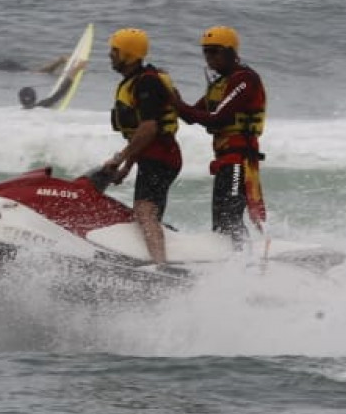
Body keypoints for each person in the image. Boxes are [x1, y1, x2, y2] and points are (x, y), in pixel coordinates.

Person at [179, 25, 268, 255]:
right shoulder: (219, 85)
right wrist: (169, 98)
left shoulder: (244, 79)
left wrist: (174, 103)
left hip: (240, 161)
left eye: (215, 51)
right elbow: (190, 114)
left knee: (231, 217)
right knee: (220, 222)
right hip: (224, 162)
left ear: (230, 51)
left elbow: (217, 119)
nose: (209, 57)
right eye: (206, 52)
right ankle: (226, 264)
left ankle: (246, 259)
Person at [100, 28, 183, 267]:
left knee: (144, 210)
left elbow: (148, 129)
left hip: (162, 156)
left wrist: (120, 158)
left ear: (128, 53)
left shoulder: (147, 82)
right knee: (148, 213)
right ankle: (156, 260)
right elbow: (141, 137)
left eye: (114, 51)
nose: (110, 55)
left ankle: (160, 266)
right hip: (153, 155)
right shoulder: (135, 81)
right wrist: (126, 168)